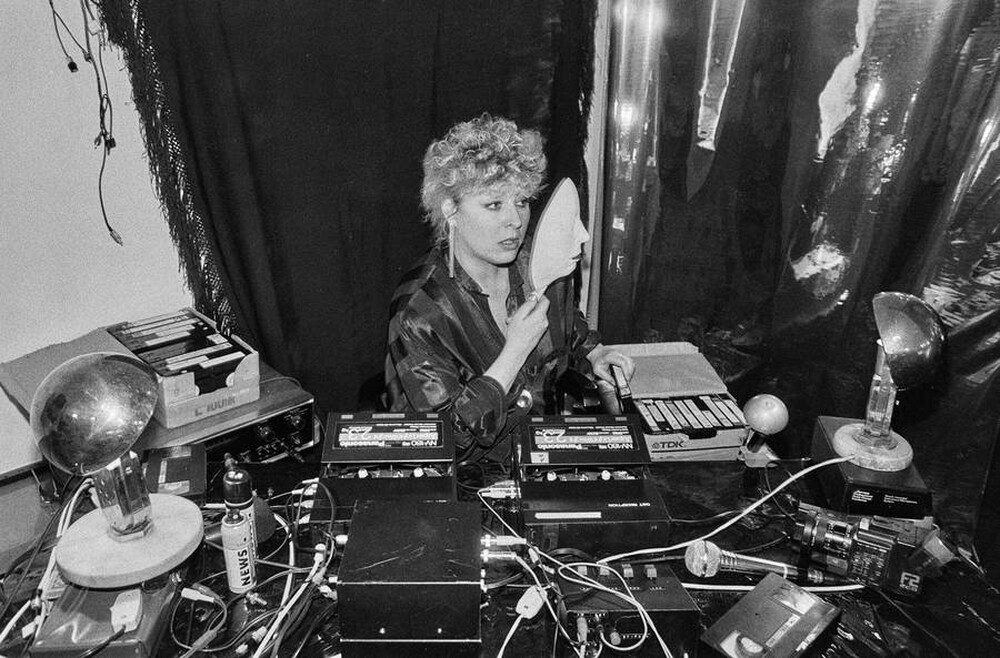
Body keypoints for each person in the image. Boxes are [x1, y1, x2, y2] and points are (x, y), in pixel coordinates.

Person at [385, 114, 633, 463]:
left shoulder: (539, 262)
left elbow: (569, 330)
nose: (515, 221)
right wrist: (514, 352)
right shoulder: (419, 310)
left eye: (521, 202)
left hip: (545, 458)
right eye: (494, 205)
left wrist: (596, 354)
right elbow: (446, 442)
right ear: (451, 210)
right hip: (468, 482)